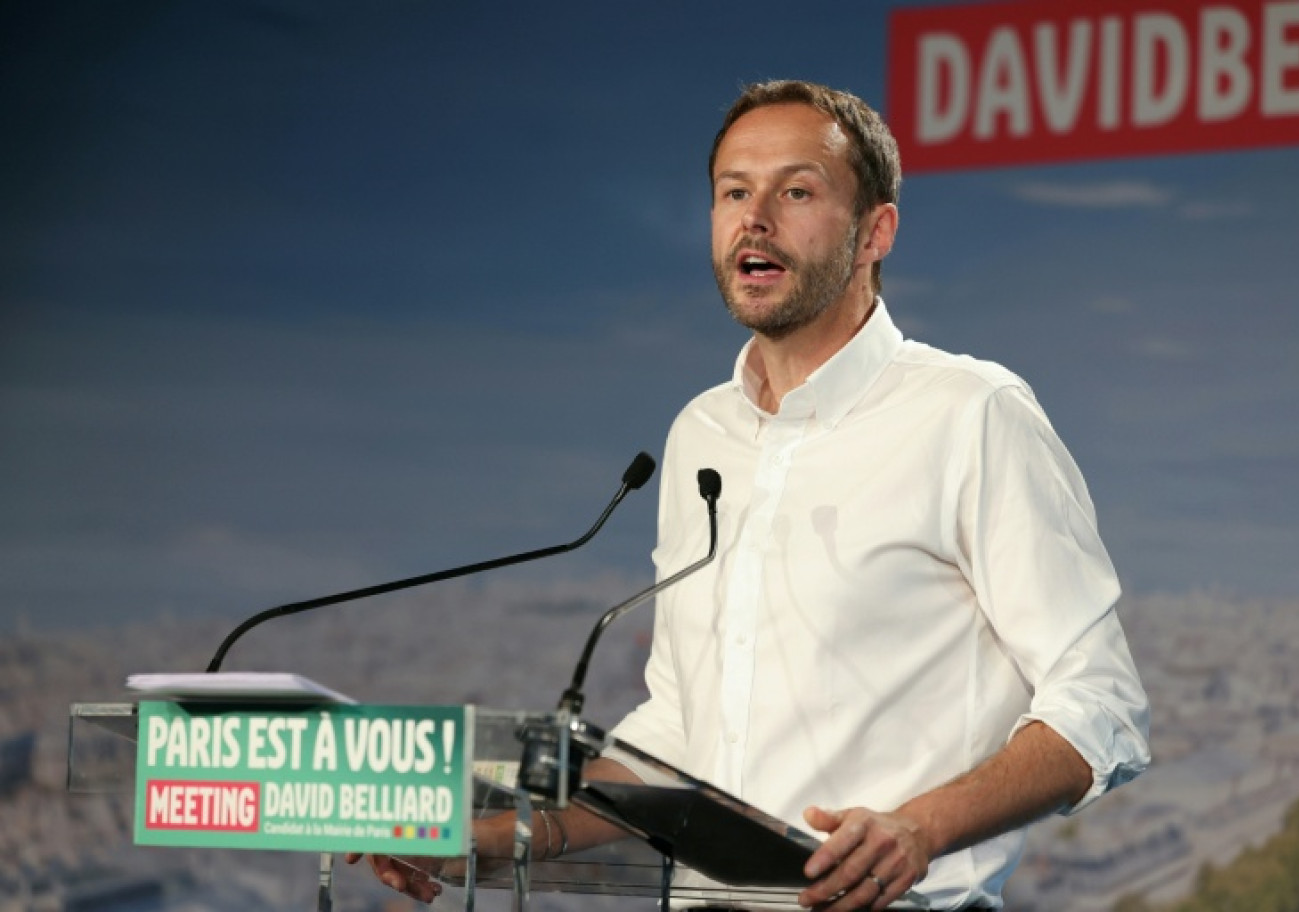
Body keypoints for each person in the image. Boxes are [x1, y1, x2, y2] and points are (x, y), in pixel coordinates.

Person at [353, 79, 1150, 911]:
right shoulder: (702, 432)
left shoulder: (972, 415)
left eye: (796, 191)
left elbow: (1102, 705)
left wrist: (918, 829)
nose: (755, 218)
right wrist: (502, 838)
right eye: (734, 192)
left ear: (876, 231)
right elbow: (680, 731)